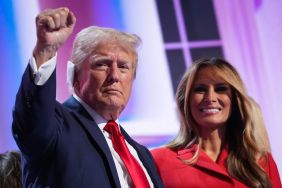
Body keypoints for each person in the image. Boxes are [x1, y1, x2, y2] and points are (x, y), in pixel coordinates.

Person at [12, 7, 163, 188]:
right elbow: (33, 117)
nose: (114, 75)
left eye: (123, 67)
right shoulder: (55, 124)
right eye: (102, 64)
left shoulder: (142, 154)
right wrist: (46, 50)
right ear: (74, 76)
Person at [151, 58, 282, 188]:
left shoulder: (261, 161)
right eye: (200, 89)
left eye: (220, 89)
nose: (210, 98)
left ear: (235, 100)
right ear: (186, 101)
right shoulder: (158, 160)